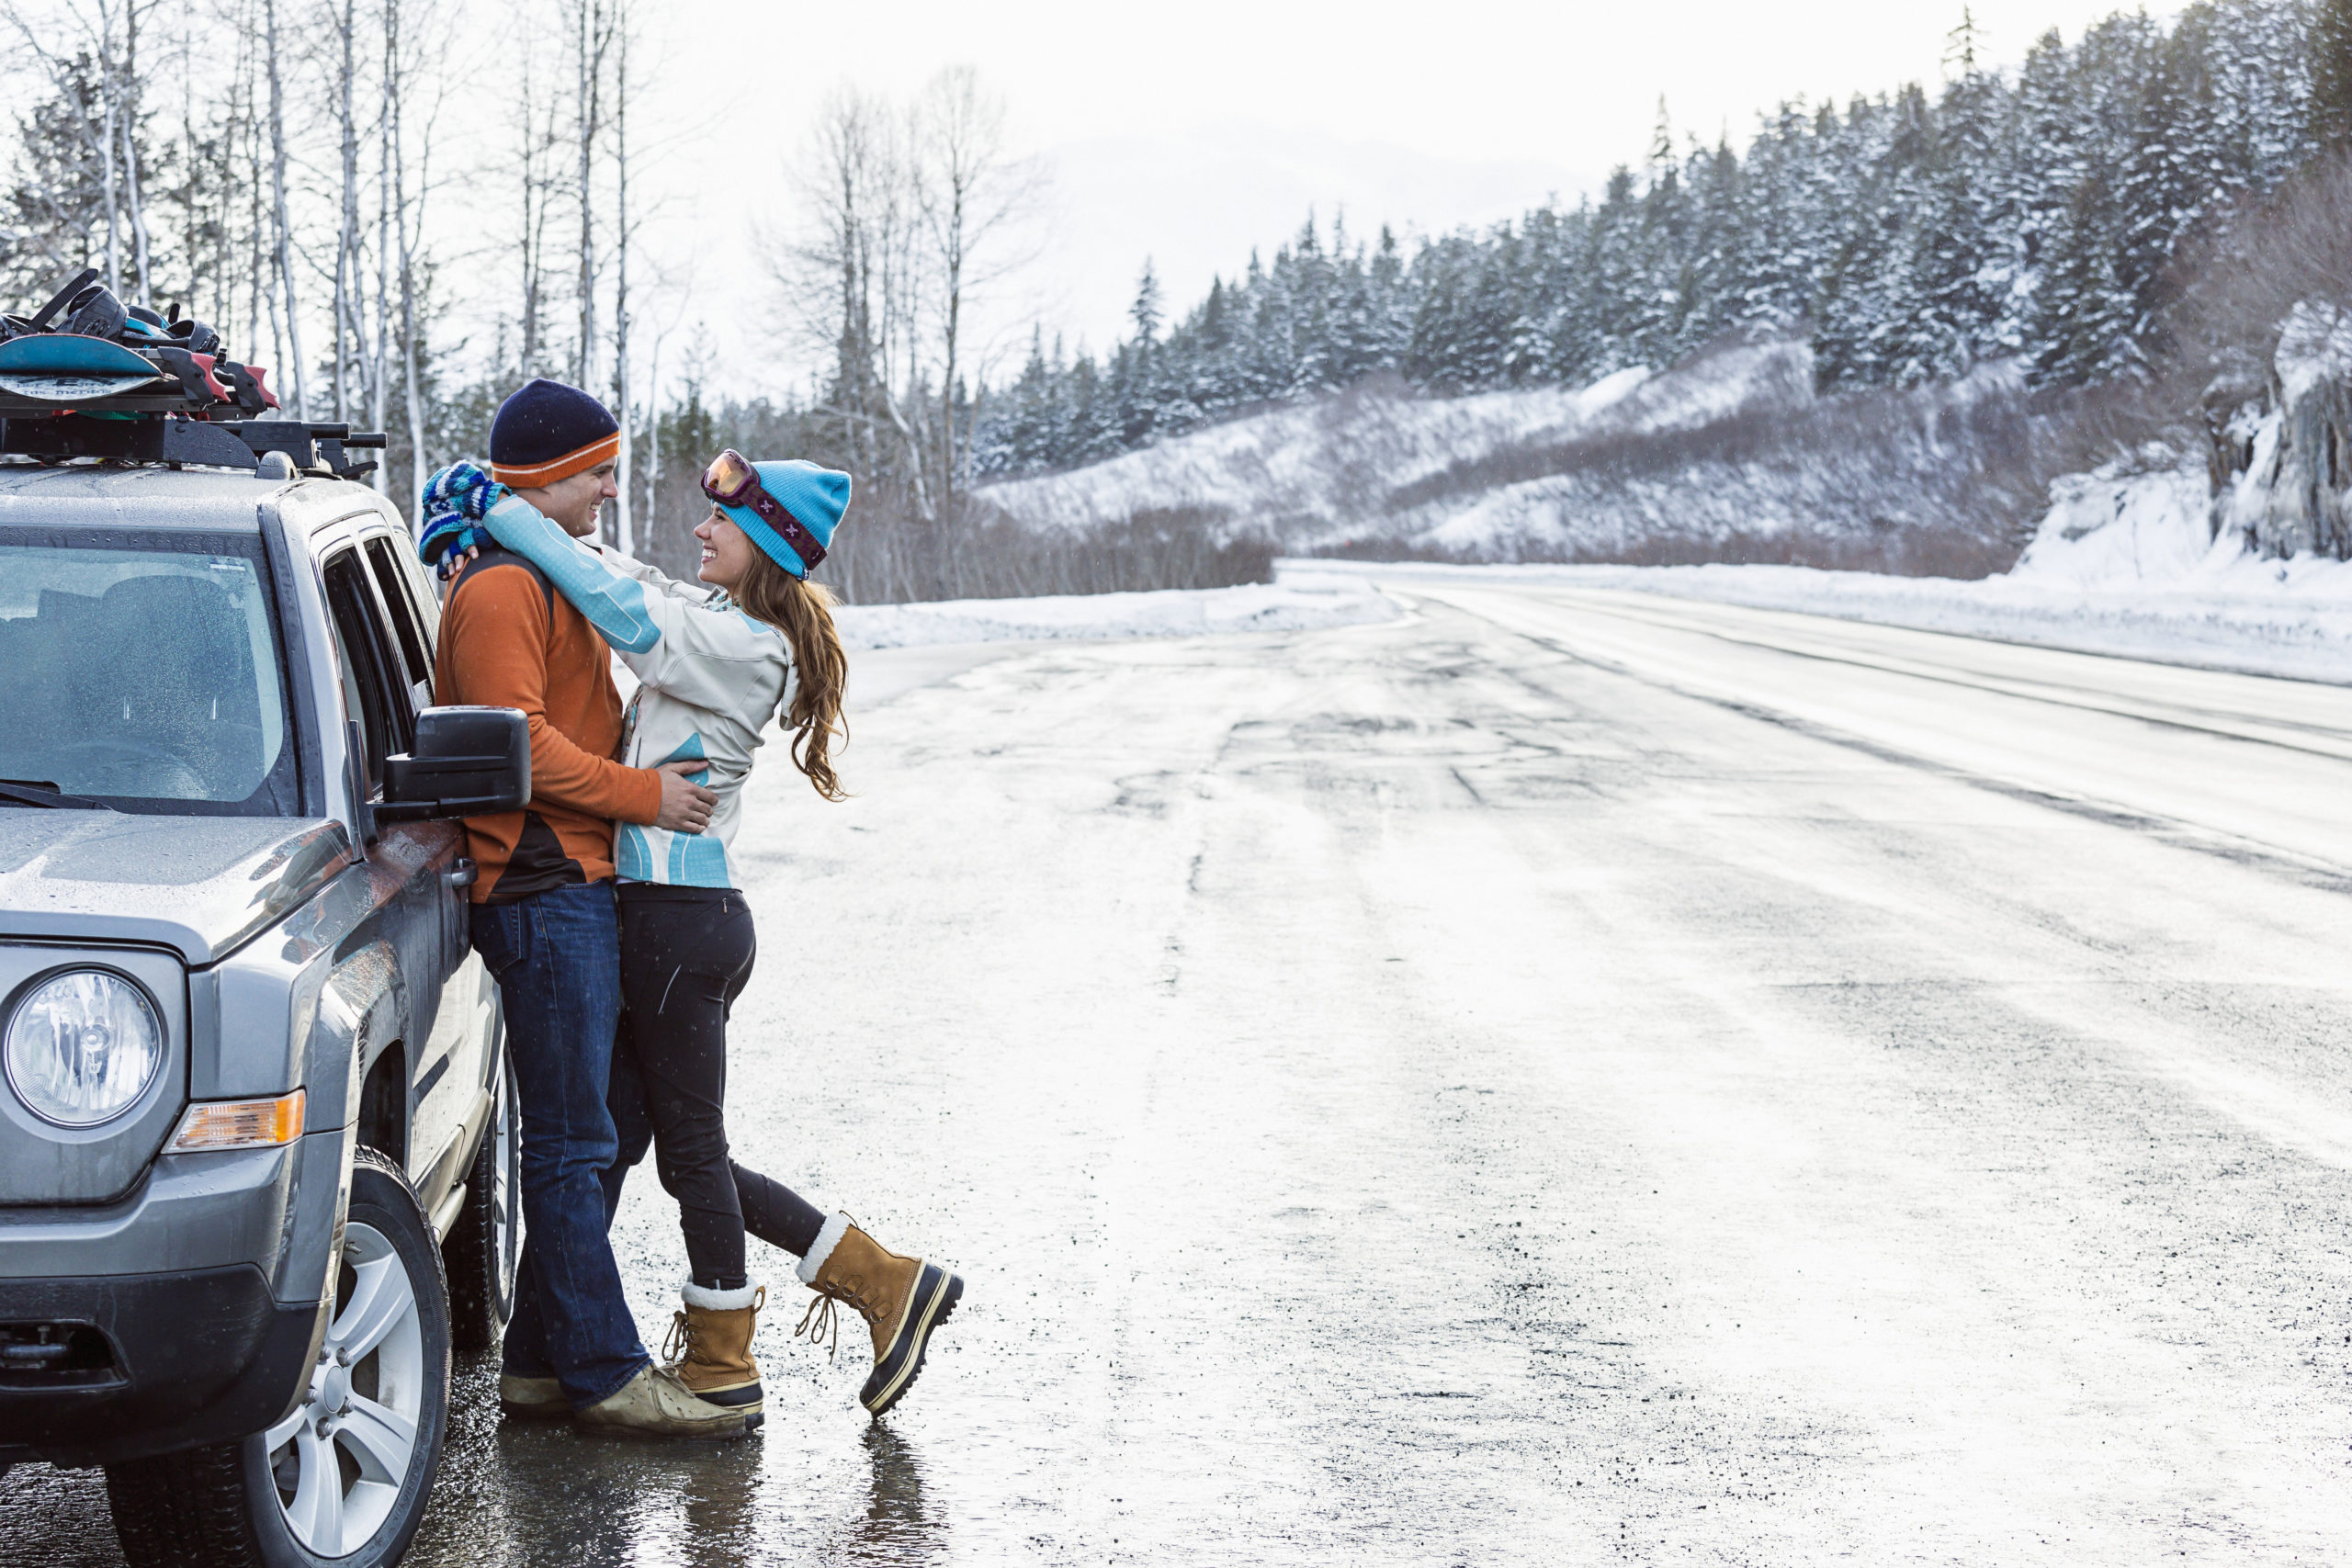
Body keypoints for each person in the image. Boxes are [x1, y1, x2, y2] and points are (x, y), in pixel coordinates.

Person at [421, 447, 963, 1422]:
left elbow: (623, 610)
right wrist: (526, 523)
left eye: (723, 523)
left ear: (765, 546)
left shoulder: (744, 644)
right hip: (672, 918)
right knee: (613, 1143)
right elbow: (627, 574)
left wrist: (501, 511)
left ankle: (739, 1353)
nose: (701, 531)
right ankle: (545, 1351)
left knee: (689, 1153)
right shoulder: (719, 615)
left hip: (679, 922)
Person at [428, 378, 750, 1438]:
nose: (611, 488)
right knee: (570, 1145)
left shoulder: (548, 573)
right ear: (548, 477)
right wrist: (644, 794)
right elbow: (515, 745)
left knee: (592, 1134)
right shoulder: (501, 589)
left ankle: (536, 1368)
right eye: (599, 472)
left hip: (575, 882)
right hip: (539, 887)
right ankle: (607, 1374)